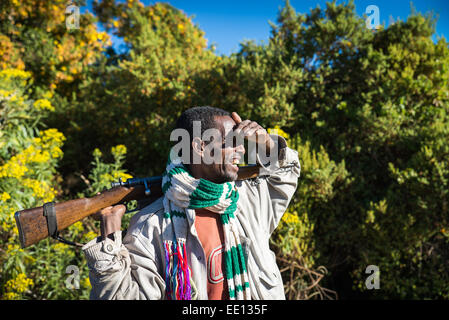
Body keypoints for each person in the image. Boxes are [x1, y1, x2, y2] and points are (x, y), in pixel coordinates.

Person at [83, 106, 301, 300]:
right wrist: (110, 233)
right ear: (199, 147)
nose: (242, 150)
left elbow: (285, 170)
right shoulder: (150, 225)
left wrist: (265, 142)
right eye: (232, 142)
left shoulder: (249, 200)